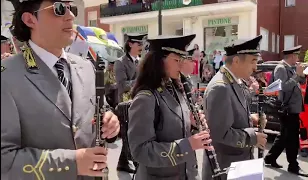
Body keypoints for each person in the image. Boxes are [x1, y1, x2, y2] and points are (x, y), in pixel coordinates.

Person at [1, 0, 120, 179]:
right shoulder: (8, 76)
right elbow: (5, 160)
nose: (71, 15)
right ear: (30, 19)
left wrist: (111, 124)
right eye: (59, 9)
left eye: (71, 8)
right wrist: (71, 163)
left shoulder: (86, 67)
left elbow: (98, 113)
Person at [127, 34, 213, 180]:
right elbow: (140, 151)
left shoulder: (177, 89)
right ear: (159, 61)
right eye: (176, 60)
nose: (181, 65)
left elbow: (175, 130)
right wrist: (187, 145)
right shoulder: (146, 98)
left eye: (182, 59)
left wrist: (192, 125)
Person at [202, 35, 268, 180]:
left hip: (236, 165)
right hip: (226, 168)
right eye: (253, 61)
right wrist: (253, 138)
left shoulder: (233, 81)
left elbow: (229, 115)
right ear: (237, 60)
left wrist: (251, 119)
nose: (255, 67)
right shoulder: (221, 87)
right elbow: (219, 133)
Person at [264, 45, 308, 177]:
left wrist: (301, 74)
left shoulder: (290, 68)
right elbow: (283, 87)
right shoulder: (281, 68)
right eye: (297, 56)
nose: (298, 58)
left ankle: (270, 158)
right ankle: (293, 165)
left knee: (284, 135)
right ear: (291, 56)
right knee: (292, 138)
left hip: (292, 108)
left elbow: (300, 82)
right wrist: (296, 75)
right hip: (287, 108)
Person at [114, 33, 147, 173]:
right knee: (130, 133)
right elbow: (121, 85)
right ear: (130, 44)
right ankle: (136, 163)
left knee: (131, 133)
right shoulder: (120, 62)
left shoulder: (141, 61)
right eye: (138, 44)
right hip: (126, 103)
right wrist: (139, 81)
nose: (141, 47)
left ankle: (123, 163)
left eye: (142, 44)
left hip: (139, 101)